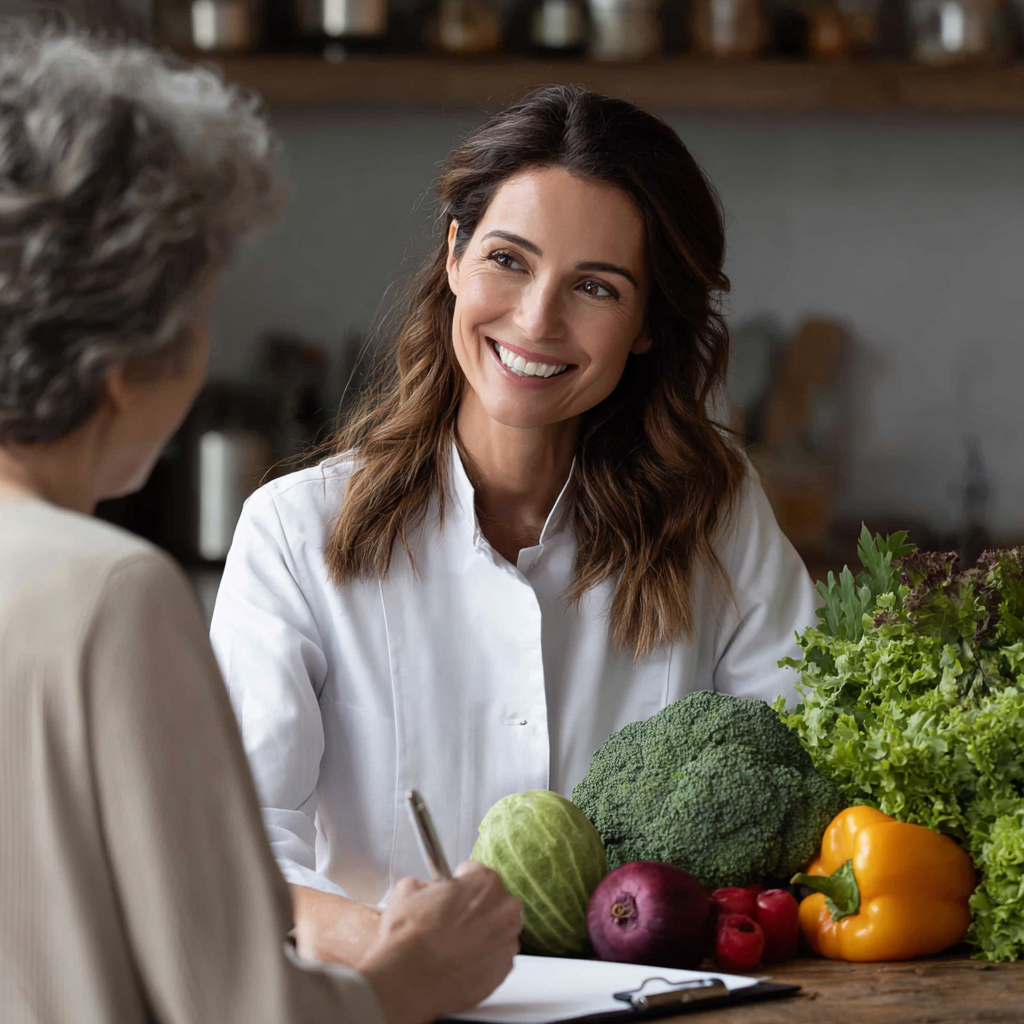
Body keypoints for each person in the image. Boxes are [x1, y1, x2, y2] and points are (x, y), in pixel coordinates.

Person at [210, 86, 818, 965]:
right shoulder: (295, 534)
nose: (536, 320)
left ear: (648, 324)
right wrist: (398, 949)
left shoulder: (716, 518)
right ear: (454, 254)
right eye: (508, 259)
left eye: (597, 286)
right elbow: (237, 850)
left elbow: (809, 779)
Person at [0, 24, 520, 1024]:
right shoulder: (109, 592)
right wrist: (414, 971)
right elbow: (237, 1007)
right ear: (128, 365)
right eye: (202, 310)